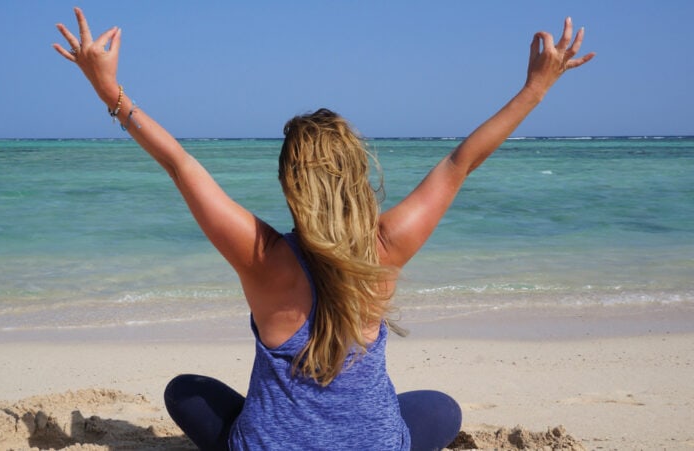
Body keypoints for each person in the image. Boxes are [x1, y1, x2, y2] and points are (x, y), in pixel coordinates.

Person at [54, 8, 594, 450]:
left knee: (184, 391)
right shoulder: (386, 247)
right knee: (443, 409)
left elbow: (180, 165)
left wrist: (112, 94)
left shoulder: (262, 256)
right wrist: (536, 88)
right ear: (357, 175)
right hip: (378, 445)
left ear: (291, 183)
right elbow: (459, 164)